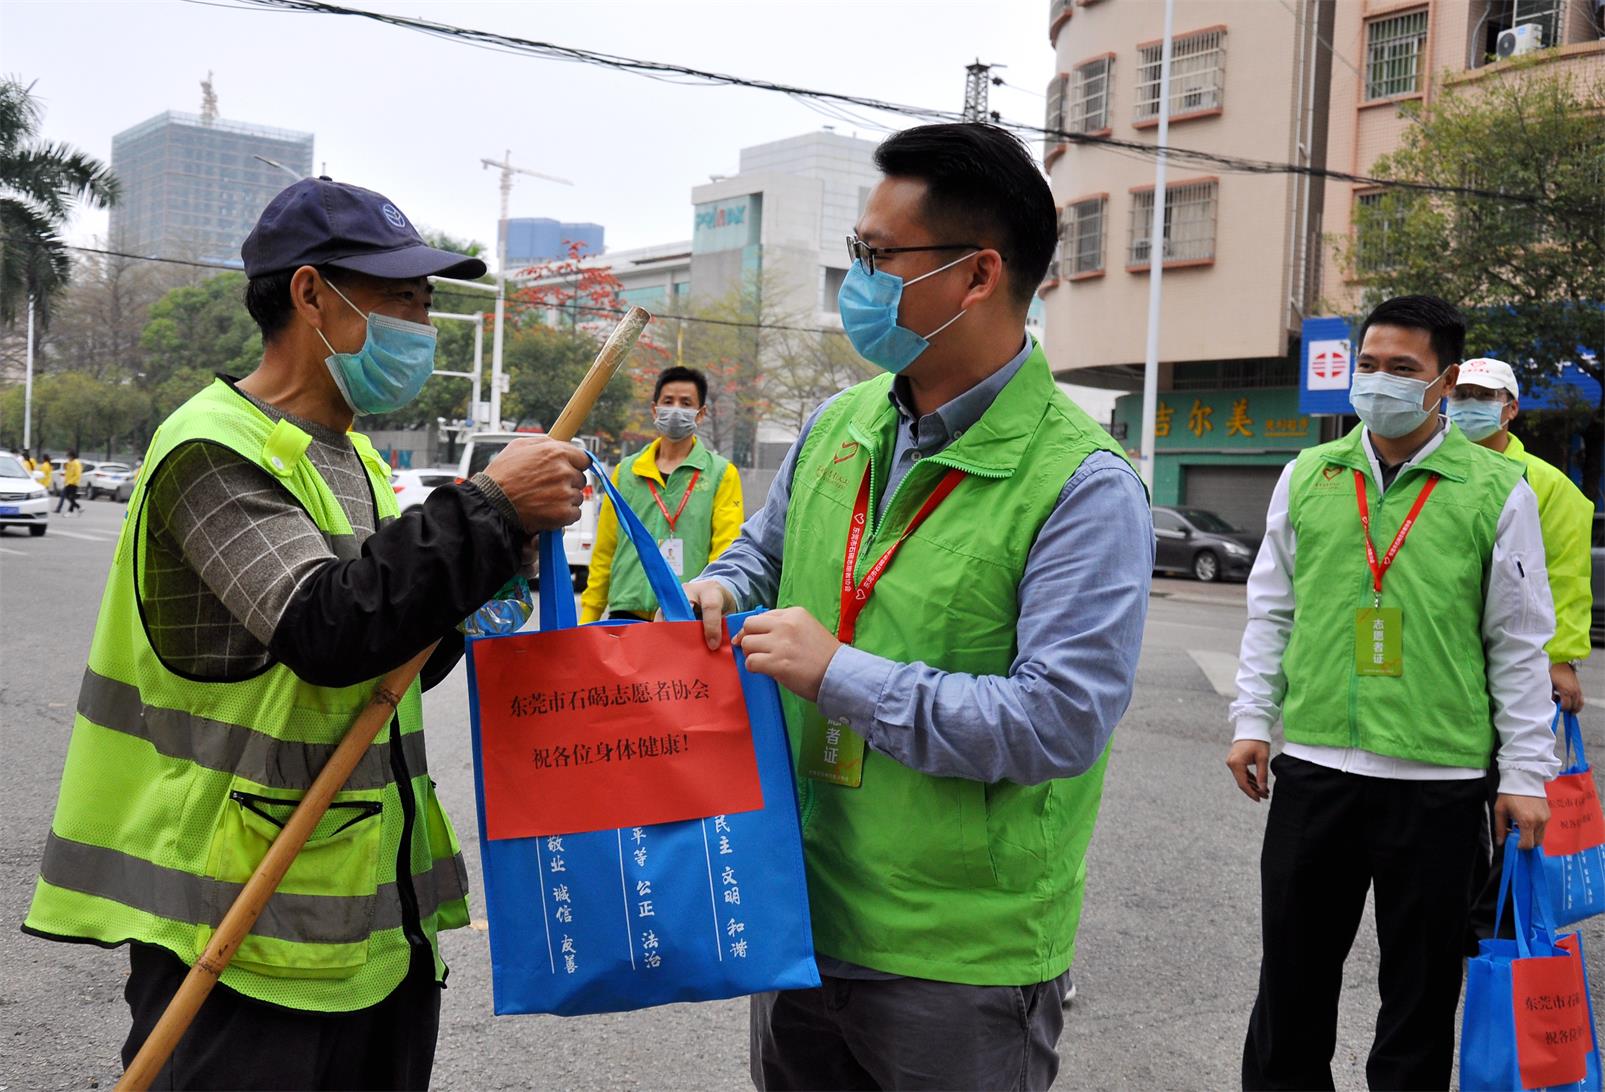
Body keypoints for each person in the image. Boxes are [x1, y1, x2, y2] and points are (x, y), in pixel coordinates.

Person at [23, 177, 590, 1090]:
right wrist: (482, 507)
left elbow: (380, 666)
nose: (421, 320)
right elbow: (323, 627)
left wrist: (491, 563)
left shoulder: (354, 454)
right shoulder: (213, 447)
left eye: (426, 299)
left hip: (366, 923)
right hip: (238, 922)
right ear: (311, 293)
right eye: (399, 295)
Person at [681, 123, 1152, 1090]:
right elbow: (764, 551)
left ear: (977, 276)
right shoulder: (839, 423)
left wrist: (836, 675)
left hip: (956, 957)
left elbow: (1058, 723)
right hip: (799, 906)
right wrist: (723, 585)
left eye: (874, 255)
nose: (856, 277)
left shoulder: (1082, 484)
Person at [1226, 295, 1559, 1090]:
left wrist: (1523, 774)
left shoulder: (1492, 490)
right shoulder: (1311, 473)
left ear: (1442, 381)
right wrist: (1250, 721)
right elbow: (1271, 607)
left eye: (1401, 369)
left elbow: (1517, 644)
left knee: (1417, 997)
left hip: (1438, 784)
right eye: (1367, 365)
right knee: (1291, 989)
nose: (1379, 381)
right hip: (1314, 770)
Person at [1448, 358, 1593, 712]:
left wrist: (1560, 658)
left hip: (1513, 655)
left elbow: (1566, 574)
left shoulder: (1549, 485)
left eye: (1483, 396)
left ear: (1511, 408)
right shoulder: (1427, 471)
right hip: (1441, 646)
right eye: (1461, 395)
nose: (1469, 404)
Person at [580, 365, 743, 622]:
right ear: (655, 409)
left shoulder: (721, 474)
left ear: (700, 415)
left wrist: (716, 603)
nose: (676, 409)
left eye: (686, 403)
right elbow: (605, 550)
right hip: (626, 612)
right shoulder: (626, 472)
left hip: (687, 612)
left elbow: (724, 549)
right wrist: (590, 614)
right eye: (669, 401)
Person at [56, 449, 82, 515]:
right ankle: (75, 509)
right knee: (70, 497)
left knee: (69, 497)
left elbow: (78, 474)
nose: (68, 458)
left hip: (73, 483)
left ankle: (76, 508)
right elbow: (68, 473)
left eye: (69, 456)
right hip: (68, 483)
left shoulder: (76, 463)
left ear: (72, 456)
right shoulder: (71, 463)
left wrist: (70, 482)